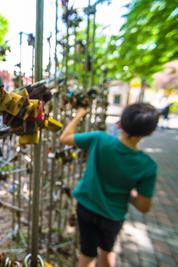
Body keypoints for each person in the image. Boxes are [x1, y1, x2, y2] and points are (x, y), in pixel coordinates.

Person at [59, 103, 159, 267]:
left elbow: (64, 138)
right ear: (149, 132)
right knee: (106, 253)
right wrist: (126, 190)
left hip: (86, 207)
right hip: (113, 216)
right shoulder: (148, 166)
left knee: (86, 255)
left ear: (121, 122)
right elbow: (143, 206)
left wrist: (79, 115)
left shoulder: (99, 139)